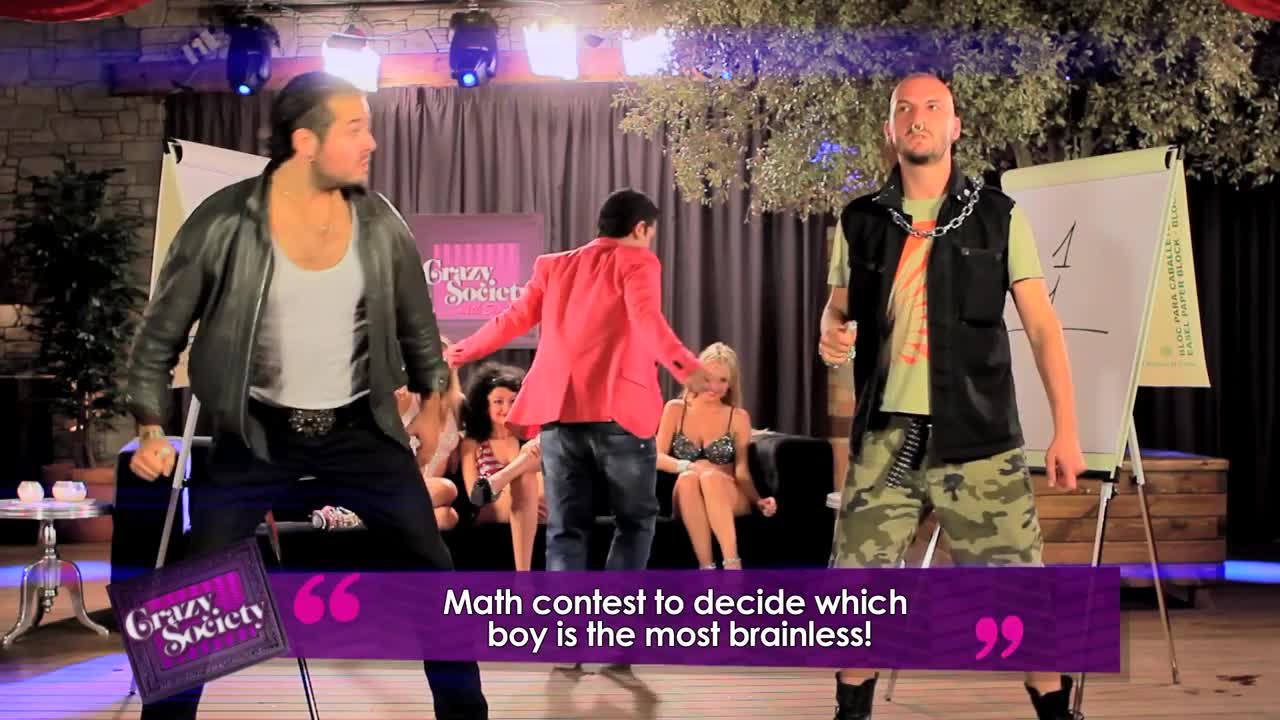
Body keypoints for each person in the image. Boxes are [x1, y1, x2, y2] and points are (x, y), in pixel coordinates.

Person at [123, 71, 487, 720]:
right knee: (198, 585)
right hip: (254, 431)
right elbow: (158, 337)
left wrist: (434, 404)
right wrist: (151, 427)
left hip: (362, 430)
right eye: (355, 128)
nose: (371, 143)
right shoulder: (222, 222)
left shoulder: (379, 221)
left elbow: (418, 326)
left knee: (434, 571)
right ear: (305, 142)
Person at [820, 72, 1087, 720]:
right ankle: (850, 712)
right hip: (886, 441)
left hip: (980, 439)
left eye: (933, 107)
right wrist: (830, 332)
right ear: (890, 129)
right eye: (904, 109)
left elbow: (1043, 328)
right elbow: (837, 309)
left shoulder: (999, 217)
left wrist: (1067, 429)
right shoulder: (859, 221)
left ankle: (1057, 711)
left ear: (955, 125)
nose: (919, 117)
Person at [445, 188, 709, 572]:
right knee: (635, 521)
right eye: (650, 233)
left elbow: (512, 320)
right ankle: (616, 607)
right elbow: (647, 319)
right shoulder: (638, 261)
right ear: (640, 228)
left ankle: (568, 611)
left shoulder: (553, 266)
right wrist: (686, 367)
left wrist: (459, 352)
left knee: (566, 528)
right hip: (619, 414)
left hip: (561, 413)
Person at [655, 342, 776, 569]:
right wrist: (691, 467)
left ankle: (732, 565)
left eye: (722, 380)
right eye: (708, 378)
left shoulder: (737, 417)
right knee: (689, 479)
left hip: (727, 492)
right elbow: (657, 457)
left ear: (731, 383)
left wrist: (758, 500)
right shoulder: (675, 409)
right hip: (687, 493)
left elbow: (742, 472)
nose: (714, 387)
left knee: (710, 478)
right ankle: (707, 568)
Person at [458, 362, 547, 571]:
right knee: (525, 481)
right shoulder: (473, 443)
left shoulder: (531, 440)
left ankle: (497, 482)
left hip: (535, 503)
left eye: (513, 401)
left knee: (528, 475)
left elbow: (541, 491)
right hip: (490, 507)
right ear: (485, 405)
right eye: (498, 402)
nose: (506, 408)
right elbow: (475, 494)